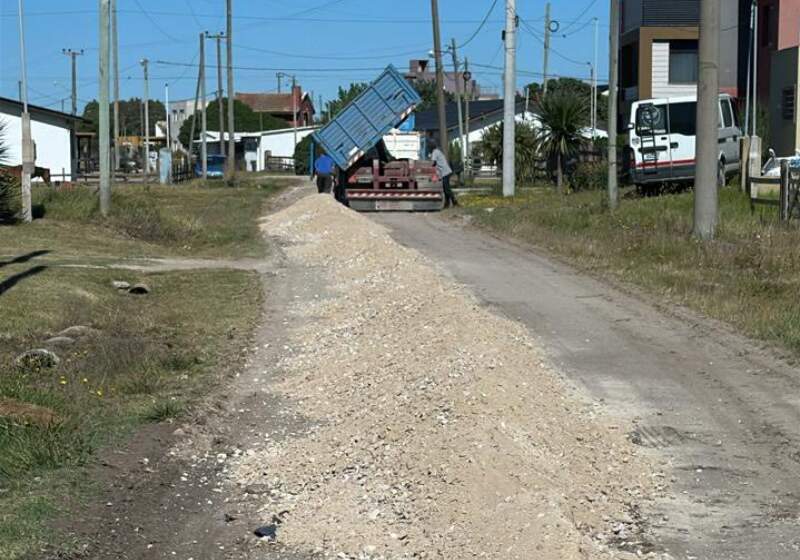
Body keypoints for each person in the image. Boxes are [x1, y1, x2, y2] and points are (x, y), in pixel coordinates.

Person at [429, 138, 458, 207]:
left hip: (445, 172)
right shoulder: (438, 151)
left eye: (430, 146)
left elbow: (433, 163)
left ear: (431, 146)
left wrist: (428, 166)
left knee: (447, 189)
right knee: (445, 189)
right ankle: (447, 204)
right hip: (446, 172)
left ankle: (455, 202)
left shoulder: (435, 152)